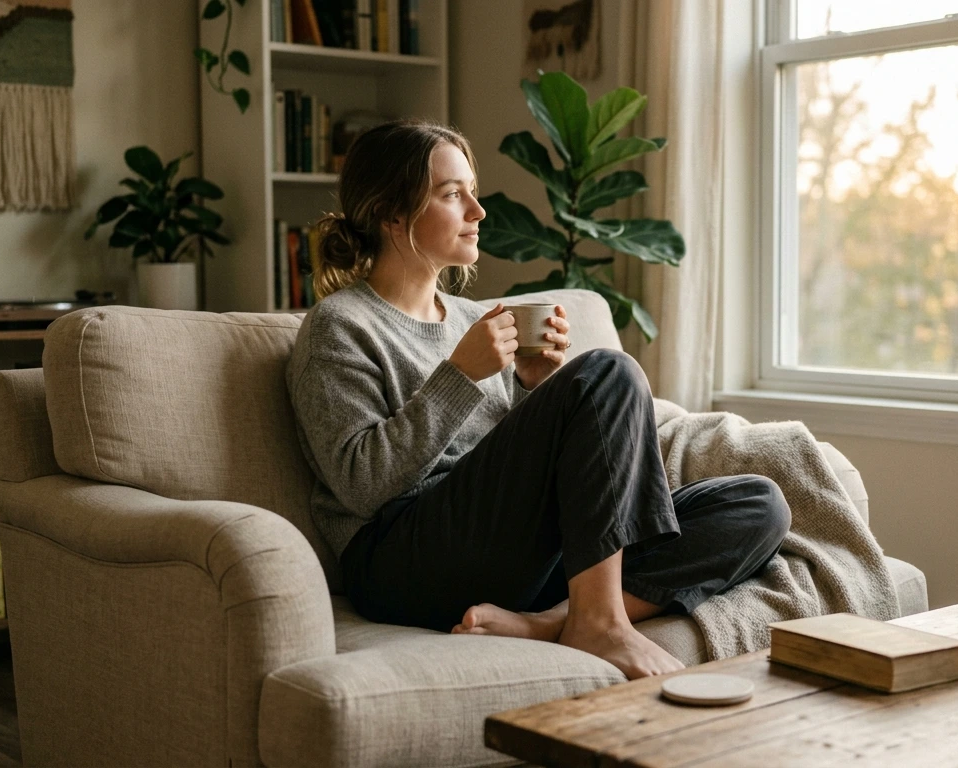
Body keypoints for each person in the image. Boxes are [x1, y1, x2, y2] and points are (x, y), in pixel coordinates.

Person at [285, 119, 791, 679]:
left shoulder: (476, 320)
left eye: (471, 192)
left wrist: (530, 386)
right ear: (391, 214)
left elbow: (521, 475)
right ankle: (600, 624)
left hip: (504, 558)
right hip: (401, 561)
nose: (478, 211)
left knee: (758, 504)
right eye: (453, 195)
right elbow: (362, 484)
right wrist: (460, 375)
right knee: (610, 373)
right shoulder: (339, 327)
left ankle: (555, 619)